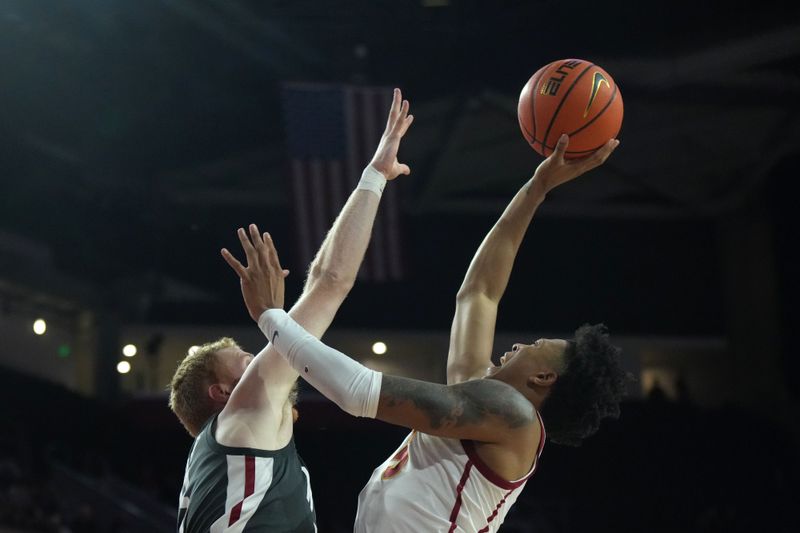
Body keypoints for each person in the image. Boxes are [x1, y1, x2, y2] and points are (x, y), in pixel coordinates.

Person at [225, 134, 629, 533]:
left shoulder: (514, 416)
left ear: (543, 378)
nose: (521, 345)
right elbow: (479, 294)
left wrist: (270, 317)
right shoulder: (488, 403)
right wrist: (537, 187)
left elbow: (358, 391)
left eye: (536, 347)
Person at [168, 88, 414, 532]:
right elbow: (330, 283)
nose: (269, 354)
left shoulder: (226, 453)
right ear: (224, 393)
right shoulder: (245, 416)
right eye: (250, 360)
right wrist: (374, 176)